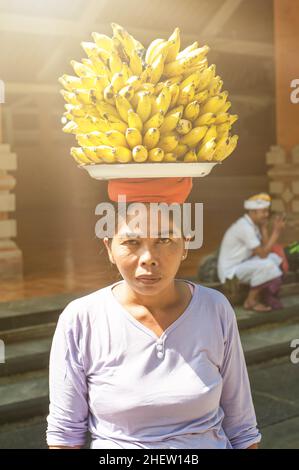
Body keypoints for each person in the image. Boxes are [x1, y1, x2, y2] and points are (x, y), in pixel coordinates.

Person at [46, 178, 261, 449]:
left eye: (164, 239)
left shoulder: (215, 308)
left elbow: (242, 427)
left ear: (185, 245)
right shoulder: (81, 319)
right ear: (109, 248)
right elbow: (64, 436)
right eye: (132, 242)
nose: (148, 257)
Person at [217, 193, 286, 312]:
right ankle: (250, 301)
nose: (267, 215)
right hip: (230, 273)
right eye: (263, 212)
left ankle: (265, 295)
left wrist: (264, 228)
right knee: (268, 264)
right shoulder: (244, 227)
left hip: (242, 265)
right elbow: (263, 254)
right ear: (253, 212)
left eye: (267, 211)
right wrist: (276, 232)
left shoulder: (251, 225)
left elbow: (266, 249)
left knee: (274, 258)